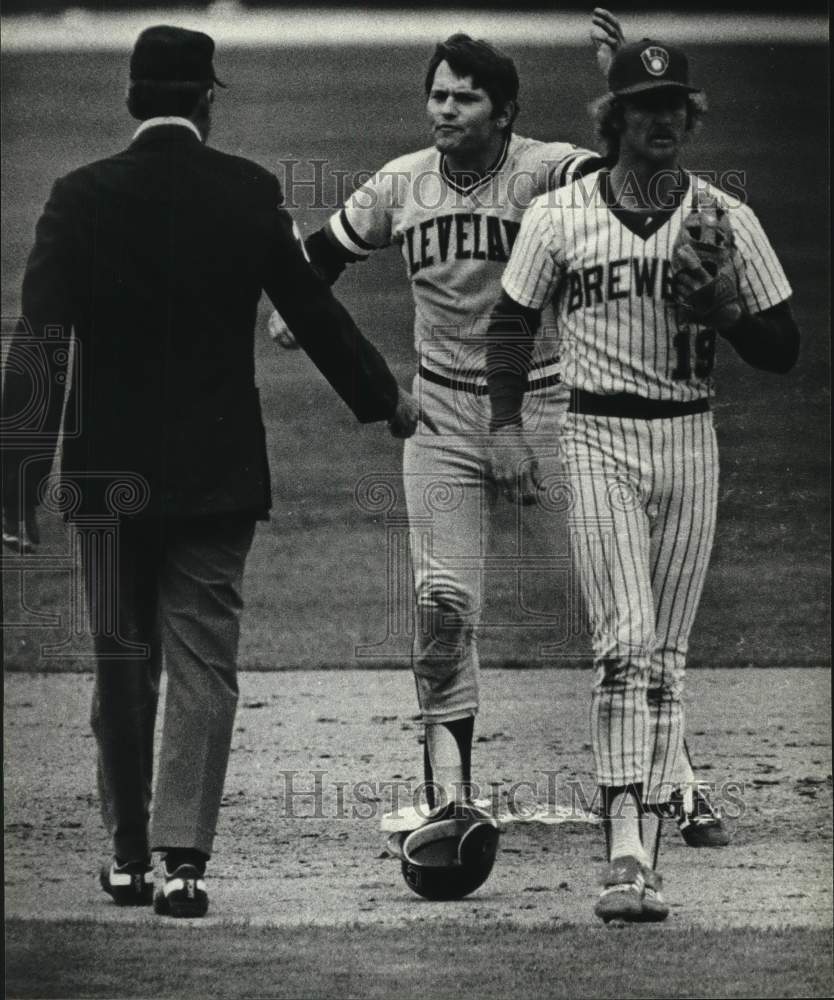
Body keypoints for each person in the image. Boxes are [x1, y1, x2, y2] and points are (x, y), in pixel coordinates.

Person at [0, 24, 427, 919]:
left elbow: (40, 344)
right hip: (216, 474)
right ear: (204, 100)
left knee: (121, 660)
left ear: (130, 102)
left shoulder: (77, 197)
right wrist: (383, 397)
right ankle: (185, 861)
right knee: (202, 661)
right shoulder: (247, 191)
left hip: (107, 478)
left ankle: (124, 862)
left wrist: (18, 484)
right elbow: (311, 312)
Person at [268, 13, 623, 821]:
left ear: (505, 112)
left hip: (548, 411)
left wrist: (623, 83)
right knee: (441, 608)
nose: (444, 111)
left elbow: (625, 178)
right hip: (439, 420)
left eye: (464, 98)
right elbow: (323, 254)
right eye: (436, 96)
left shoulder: (546, 172)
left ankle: (667, 777)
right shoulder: (402, 182)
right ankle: (451, 794)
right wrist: (297, 305)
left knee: (609, 600)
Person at [485, 38, 799, 921]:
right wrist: (505, 427)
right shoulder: (560, 216)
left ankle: (644, 851)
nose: (663, 122)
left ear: (690, 117)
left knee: (665, 658)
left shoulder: (724, 217)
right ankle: (625, 850)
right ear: (613, 117)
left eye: (677, 109)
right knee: (625, 641)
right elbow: (509, 325)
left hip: (689, 441)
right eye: (645, 108)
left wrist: (729, 312)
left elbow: (786, 350)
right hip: (595, 437)